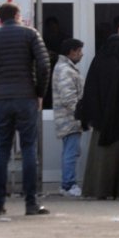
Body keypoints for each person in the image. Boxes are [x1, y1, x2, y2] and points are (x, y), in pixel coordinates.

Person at [0, 2, 51, 217]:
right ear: (18, 15)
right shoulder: (30, 34)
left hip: (3, 99)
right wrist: (39, 92)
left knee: (2, 148)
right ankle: (31, 203)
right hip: (26, 97)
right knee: (28, 147)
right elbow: (44, 65)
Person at [80, 34, 119, 199]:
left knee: (100, 157)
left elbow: (90, 90)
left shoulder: (99, 60)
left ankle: (98, 190)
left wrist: (91, 115)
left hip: (102, 121)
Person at [53, 38, 85, 198]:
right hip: (69, 119)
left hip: (68, 119)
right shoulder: (66, 70)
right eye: (79, 51)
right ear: (72, 52)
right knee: (71, 153)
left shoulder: (64, 68)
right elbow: (68, 98)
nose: (81, 54)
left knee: (71, 151)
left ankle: (68, 183)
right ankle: (68, 185)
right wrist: (80, 114)